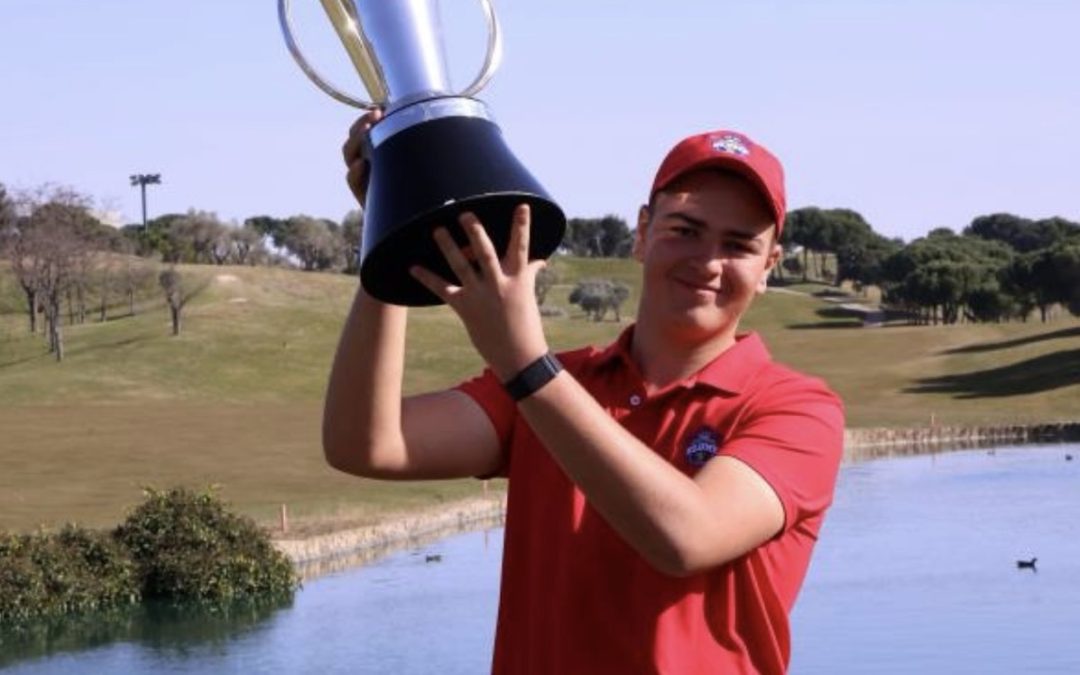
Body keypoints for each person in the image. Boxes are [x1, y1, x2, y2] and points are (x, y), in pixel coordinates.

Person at [324, 111, 844, 674]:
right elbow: (368, 443)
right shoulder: (559, 385)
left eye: (739, 245)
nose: (708, 262)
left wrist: (524, 362)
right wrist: (393, 230)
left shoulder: (797, 409)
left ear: (769, 266)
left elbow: (686, 537)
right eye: (685, 230)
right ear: (643, 233)